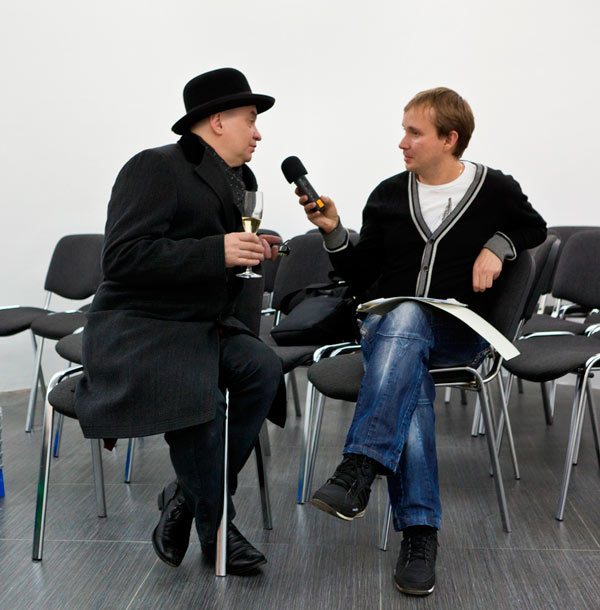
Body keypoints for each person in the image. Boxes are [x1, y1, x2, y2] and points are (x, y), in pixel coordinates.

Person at [298, 87, 546, 596]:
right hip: (388, 330)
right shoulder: (388, 195)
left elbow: (532, 227)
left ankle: (361, 466)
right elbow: (364, 273)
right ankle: (420, 535)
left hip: (458, 335)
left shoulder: (494, 189)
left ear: (449, 139)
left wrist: (497, 248)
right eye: (404, 130)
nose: (402, 143)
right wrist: (332, 232)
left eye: (415, 132)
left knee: (410, 338)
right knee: (406, 325)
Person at [75, 68, 286, 576]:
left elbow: (215, 259)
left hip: (202, 323)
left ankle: (184, 496)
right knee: (202, 402)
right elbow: (122, 258)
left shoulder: (239, 184)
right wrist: (216, 250)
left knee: (263, 367)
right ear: (217, 121)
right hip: (144, 326)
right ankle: (217, 532)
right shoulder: (154, 167)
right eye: (250, 121)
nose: (258, 133)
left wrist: (249, 251)